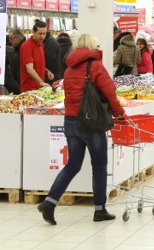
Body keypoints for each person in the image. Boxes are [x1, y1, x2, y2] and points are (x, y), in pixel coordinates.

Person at [38, 34, 126, 225]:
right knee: (99, 166)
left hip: (70, 120)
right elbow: (109, 92)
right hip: (91, 122)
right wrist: (120, 113)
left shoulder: (69, 69)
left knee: (73, 165)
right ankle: (100, 209)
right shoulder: (94, 66)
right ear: (93, 47)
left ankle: (49, 202)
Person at [19, 20, 53, 92]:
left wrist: (47, 71)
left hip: (39, 87)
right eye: (40, 34)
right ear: (33, 32)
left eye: (44, 34)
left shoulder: (40, 45)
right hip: (29, 88)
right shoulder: (27, 46)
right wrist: (41, 82)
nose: (42, 37)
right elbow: (29, 69)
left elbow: (37, 64)